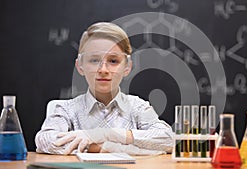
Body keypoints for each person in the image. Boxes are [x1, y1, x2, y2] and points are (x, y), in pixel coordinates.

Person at [35, 22, 173, 155]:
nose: (103, 70)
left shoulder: (138, 107)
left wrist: (107, 134)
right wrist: (106, 147)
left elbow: (169, 139)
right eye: (94, 60)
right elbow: (45, 141)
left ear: (127, 67)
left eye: (113, 61)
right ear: (80, 66)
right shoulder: (66, 109)